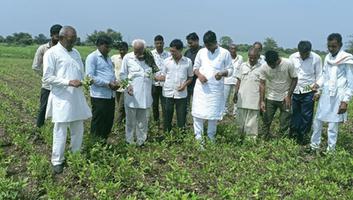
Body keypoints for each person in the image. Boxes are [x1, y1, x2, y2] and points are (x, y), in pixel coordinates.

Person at [43, 26, 92, 174]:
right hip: (62, 98)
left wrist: (86, 81)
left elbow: (80, 73)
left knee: (78, 128)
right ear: (62, 38)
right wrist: (68, 82)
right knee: (61, 130)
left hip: (76, 96)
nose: (73, 43)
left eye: (75, 40)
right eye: (71, 40)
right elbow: (47, 77)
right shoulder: (51, 53)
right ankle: (57, 160)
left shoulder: (76, 52)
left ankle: (75, 154)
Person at [310, 33, 353, 152]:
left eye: (334, 46)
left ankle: (330, 151)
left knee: (333, 125)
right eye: (329, 46)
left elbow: (350, 82)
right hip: (326, 94)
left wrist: (345, 101)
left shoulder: (347, 59)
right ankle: (314, 146)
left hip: (339, 95)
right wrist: (317, 86)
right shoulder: (328, 57)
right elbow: (324, 75)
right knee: (317, 121)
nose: (331, 49)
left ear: (340, 45)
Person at [192, 31, 233, 143]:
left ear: (215, 42)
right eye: (206, 45)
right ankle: (199, 139)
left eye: (210, 45)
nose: (208, 48)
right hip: (201, 89)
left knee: (213, 115)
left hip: (215, 90)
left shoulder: (225, 53)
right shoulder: (201, 52)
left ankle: (211, 138)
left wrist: (222, 73)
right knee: (198, 114)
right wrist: (199, 75)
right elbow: (195, 68)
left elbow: (230, 70)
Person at [120, 39, 153, 146]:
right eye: (135, 51)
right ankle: (129, 140)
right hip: (131, 95)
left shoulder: (149, 58)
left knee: (143, 121)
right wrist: (128, 85)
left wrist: (159, 77)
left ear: (144, 49)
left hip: (145, 95)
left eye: (139, 51)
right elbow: (122, 74)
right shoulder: (128, 58)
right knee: (130, 121)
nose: (137, 53)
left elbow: (156, 72)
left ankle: (141, 141)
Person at [155, 39, 193, 132]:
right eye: (170, 50)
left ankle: (181, 136)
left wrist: (184, 85)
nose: (171, 53)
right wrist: (156, 77)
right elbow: (164, 75)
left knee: (181, 117)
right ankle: (167, 136)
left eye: (174, 51)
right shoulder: (166, 61)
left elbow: (190, 77)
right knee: (167, 117)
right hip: (168, 93)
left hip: (181, 94)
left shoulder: (188, 62)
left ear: (180, 50)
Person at [289, 41, 322, 145]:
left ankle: (303, 136)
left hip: (309, 90)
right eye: (302, 53)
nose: (303, 56)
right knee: (295, 114)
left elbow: (320, 75)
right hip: (295, 89)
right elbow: (289, 74)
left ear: (309, 51)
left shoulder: (316, 58)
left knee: (306, 115)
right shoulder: (292, 57)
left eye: (306, 54)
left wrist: (318, 91)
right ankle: (294, 134)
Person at [259, 50, 298, 139]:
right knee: (266, 120)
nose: (271, 66)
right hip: (271, 97)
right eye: (269, 64)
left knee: (284, 122)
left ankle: (282, 140)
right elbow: (262, 84)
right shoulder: (264, 67)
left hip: (285, 98)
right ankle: (264, 138)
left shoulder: (288, 64)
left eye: (273, 64)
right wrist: (262, 101)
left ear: (277, 60)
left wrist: (289, 96)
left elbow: (295, 79)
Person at [86, 35, 118, 141]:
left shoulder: (108, 58)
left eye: (109, 47)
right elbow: (90, 77)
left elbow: (110, 73)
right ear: (99, 45)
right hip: (99, 96)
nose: (108, 49)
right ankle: (95, 143)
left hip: (110, 95)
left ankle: (103, 141)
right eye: (106, 47)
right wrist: (107, 84)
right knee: (98, 120)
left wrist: (114, 82)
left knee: (108, 120)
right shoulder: (92, 57)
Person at [32, 24, 62, 128]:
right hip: (47, 85)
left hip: (61, 85)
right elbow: (36, 66)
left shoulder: (64, 50)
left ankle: (57, 128)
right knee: (43, 107)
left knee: (60, 108)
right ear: (51, 35)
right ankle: (39, 127)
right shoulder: (43, 49)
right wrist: (46, 76)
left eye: (60, 34)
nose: (58, 37)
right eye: (56, 34)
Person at [234, 47, 262, 138]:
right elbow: (238, 80)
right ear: (248, 56)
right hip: (242, 99)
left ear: (258, 57)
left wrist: (262, 100)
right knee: (239, 122)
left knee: (252, 124)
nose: (252, 59)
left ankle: (250, 142)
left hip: (254, 100)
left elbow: (263, 85)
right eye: (250, 57)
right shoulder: (242, 66)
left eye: (254, 57)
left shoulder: (262, 68)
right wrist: (235, 93)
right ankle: (238, 139)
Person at [151, 35, 170, 125]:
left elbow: (171, 69)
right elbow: (147, 68)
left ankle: (165, 122)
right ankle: (156, 122)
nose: (159, 45)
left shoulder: (168, 55)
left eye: (160, 43)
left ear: (163, 43)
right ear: (154, 44)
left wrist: (165, 77)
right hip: (153, 83)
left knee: (164, 105)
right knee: (154, 105)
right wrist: (153, 77)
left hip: (165, 84)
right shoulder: (150, 54)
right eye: (157, 43)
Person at [111, 41, 129, 124]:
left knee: (120, 107)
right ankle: (124, 122)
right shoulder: (114, 58)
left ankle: (117, 125)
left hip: (125, 87)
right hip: (116, 86)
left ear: (127, 50)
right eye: (120, 50)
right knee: (120, 106)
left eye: (124, 50)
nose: (122, 52)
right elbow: (110, 68)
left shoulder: (129, 59)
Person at [184, 32, 202, 114]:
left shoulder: (202, 52)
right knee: (186, 102)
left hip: (199, 81)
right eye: (188, 43)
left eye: (191, 43)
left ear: (197, 41)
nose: (189, 45)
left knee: (198, 102)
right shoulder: (187, 52)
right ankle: (186, 118)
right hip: (188, 81)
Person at [223, 43, 243, 117]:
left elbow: (241, 69)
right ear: (229, 49)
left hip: (236, 80)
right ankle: (225, 112)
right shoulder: (226, 58)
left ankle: (235, 112)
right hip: (227, 80)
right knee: (225, 97)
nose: (233, 50)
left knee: (236, 96)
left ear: (236, 49)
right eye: (231, 48)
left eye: (234, 49)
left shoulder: (240, 58)